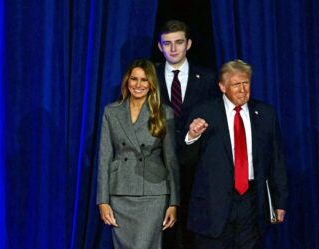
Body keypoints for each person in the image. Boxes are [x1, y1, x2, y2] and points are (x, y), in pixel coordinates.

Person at [183, 60, 288, 249]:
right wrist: (191, 137)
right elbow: (186, 160)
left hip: (251, 203)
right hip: (213, 206)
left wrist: (280, 201)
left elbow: (276, 160)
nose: (242, 90)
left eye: (246, 83)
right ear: (222, 87)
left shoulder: (265, 114)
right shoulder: (204, 113)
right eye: (236, 84)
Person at [96, 59, 180, 249]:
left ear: (151, 83)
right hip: (120, 193)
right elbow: (104, 158)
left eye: (144, 80)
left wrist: (174, 203)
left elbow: (171, 160)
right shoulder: (111, 112)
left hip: (153, 194)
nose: (138, 85)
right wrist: (103, 200)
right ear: (127, 81)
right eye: (134, 79)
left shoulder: (163, 112)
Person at [156, 19, 220, 249]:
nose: (173, 49)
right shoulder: (148, 76)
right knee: (162, 233)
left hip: (196, 168)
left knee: (193, 233)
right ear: (160, 46)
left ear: (189, 44)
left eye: (179, 42)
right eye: (168, 43)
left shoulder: (208, 78)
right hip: (158, 169)